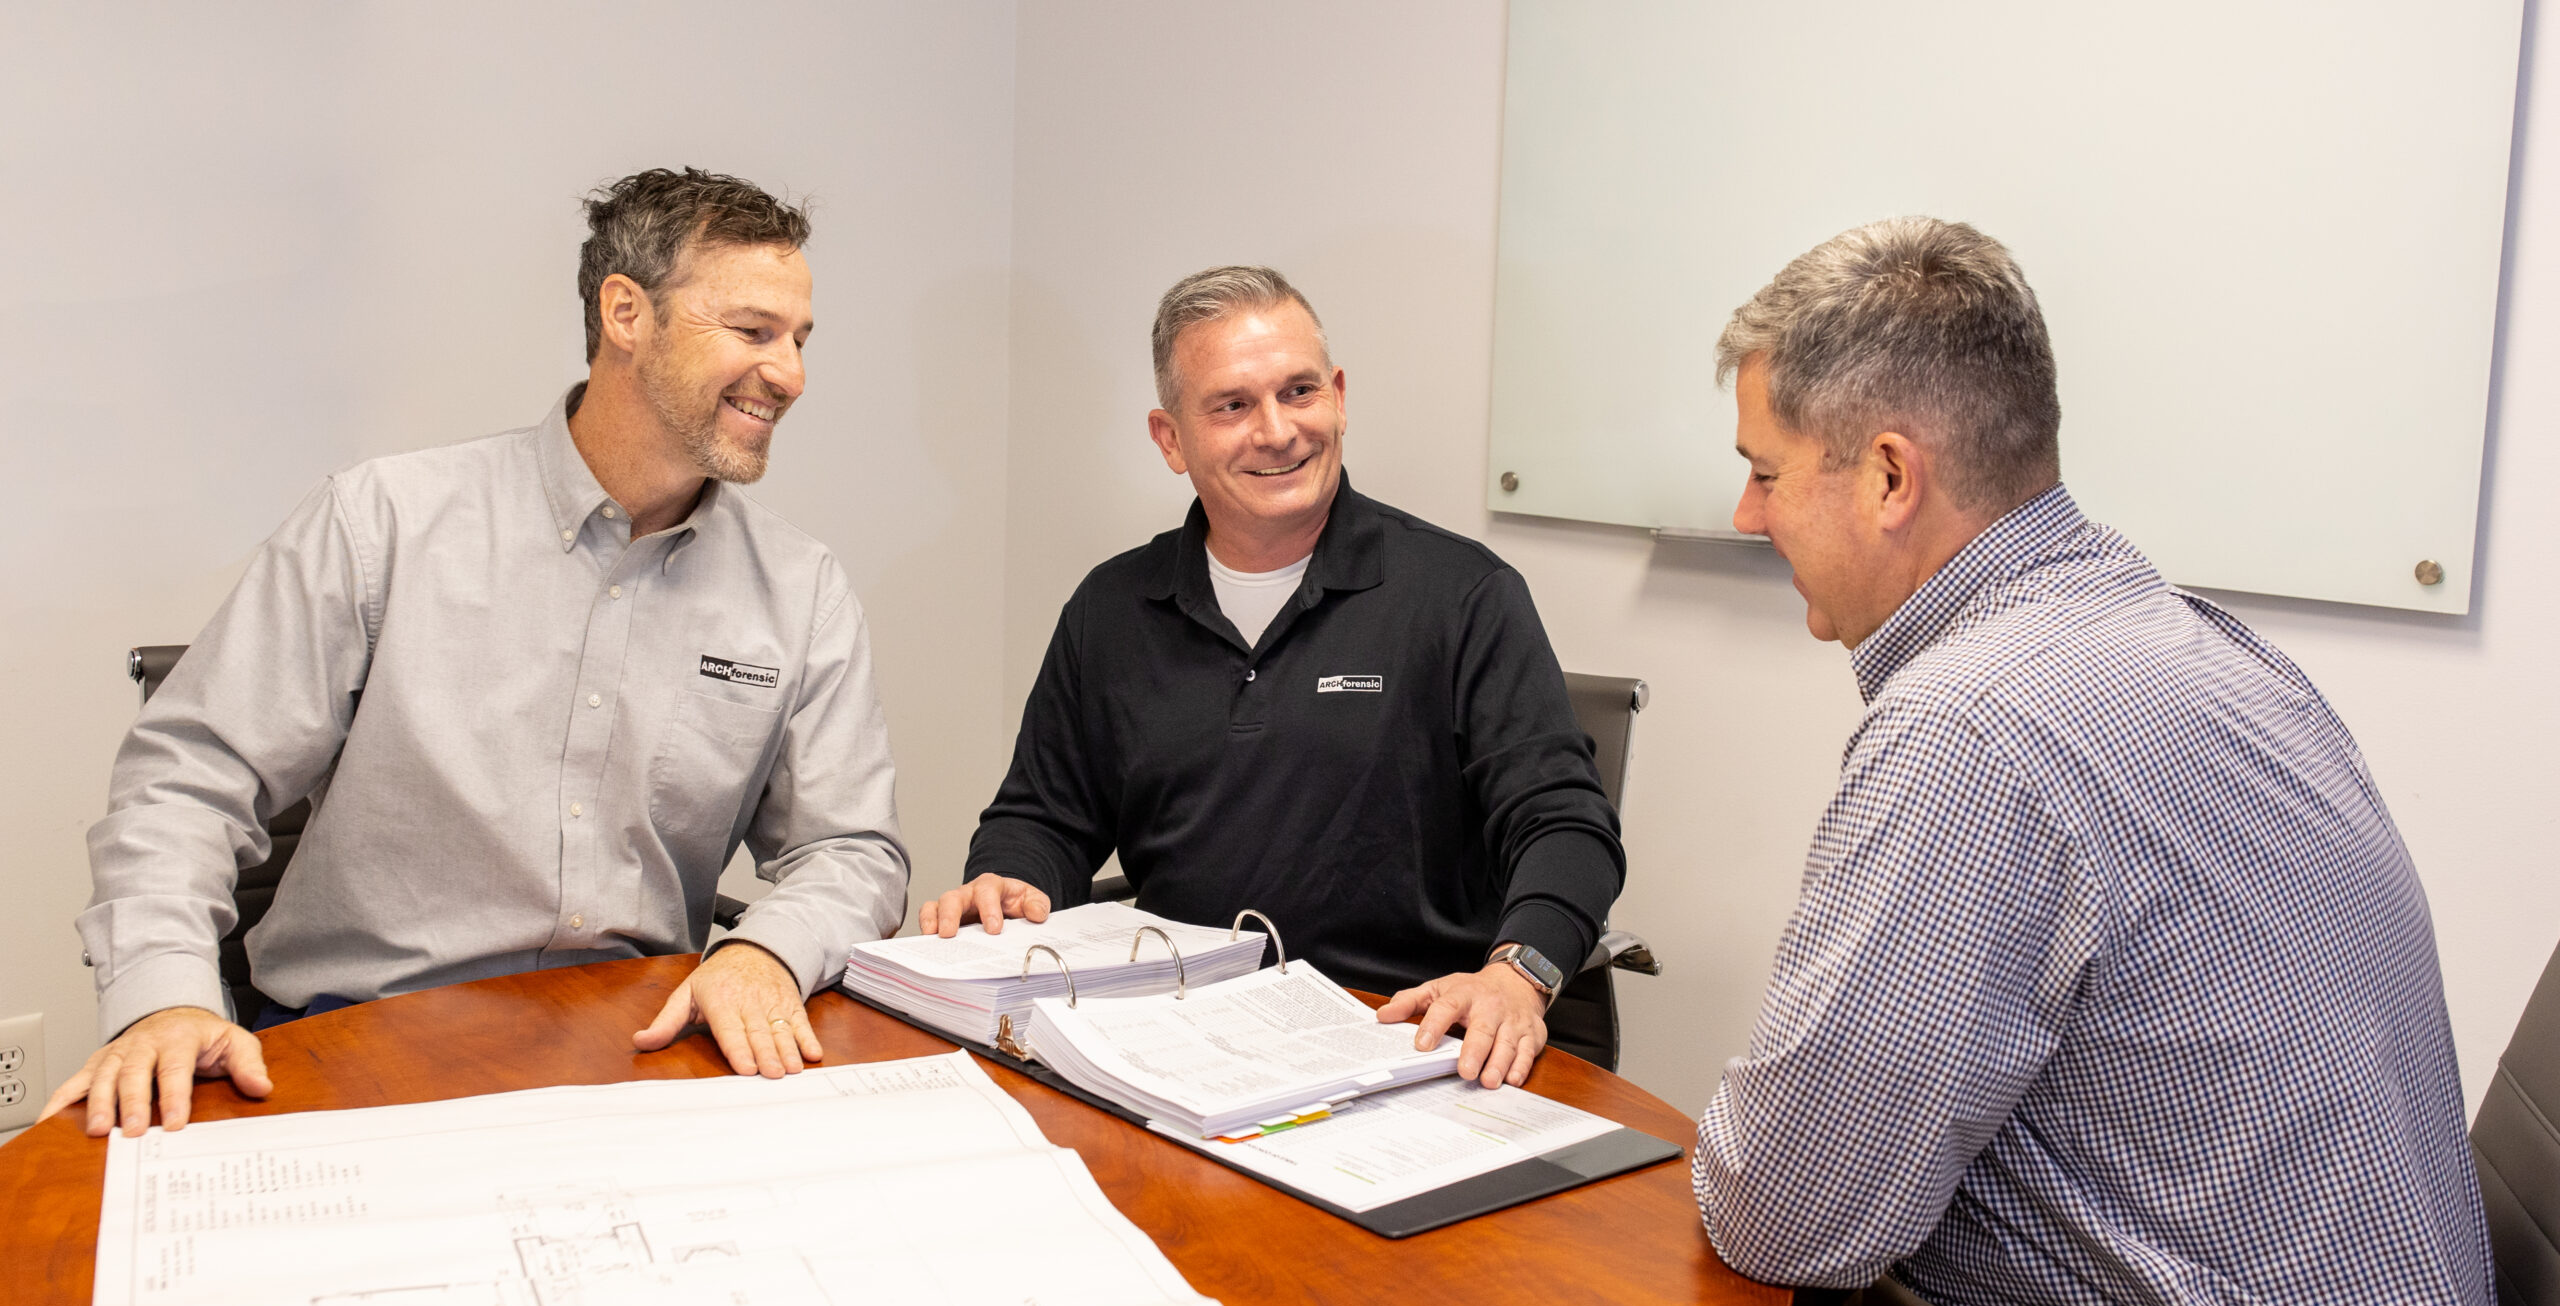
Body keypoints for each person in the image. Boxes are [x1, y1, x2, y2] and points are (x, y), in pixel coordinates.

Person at [1688, 216, 2494, 1306]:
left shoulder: (1972, 730)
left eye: (1765, 471)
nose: (1749, 517)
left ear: (1889, 477)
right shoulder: (2180, 632)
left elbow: (1791, 1212)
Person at [45, 168, 909, 1138]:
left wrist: (768, 953)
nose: (789, 373)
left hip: (638, 1056)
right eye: (754, 331)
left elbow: (850, 849)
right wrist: (164, 995)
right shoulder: (383, 523)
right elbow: (185, 783)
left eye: (798, 340)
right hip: (357, 1045)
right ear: (626, 312)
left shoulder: (800, 588)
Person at [922, 266, 1621, 1088]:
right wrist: (1010, 879)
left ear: (1341, 397)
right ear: (1169, 438)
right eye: (1233, 405)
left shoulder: (1462, 595)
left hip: (1403, 1039)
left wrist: (1519, 973)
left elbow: (1565, 823)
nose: (1278, 430)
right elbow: (1043, 815)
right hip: (1177, 1044)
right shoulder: (1112, 608)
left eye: (1299, 392)